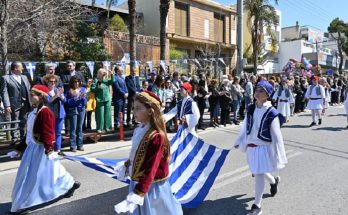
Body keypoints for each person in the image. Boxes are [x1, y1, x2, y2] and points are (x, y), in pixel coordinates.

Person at [7, 85, 80, 215]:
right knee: (52, 171)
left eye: (32, 95)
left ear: (40, 97)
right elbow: (29, 135)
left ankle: (23, 204)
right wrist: (19, 149)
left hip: (40, 149)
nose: (30, 98)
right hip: (32, 149)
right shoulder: (33, 112)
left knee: (32, 177)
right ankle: (71, 184)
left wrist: (49, 150)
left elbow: (48, 133)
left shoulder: (45, 112)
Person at [114, 91, 183, 215]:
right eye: (134, 108)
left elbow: (152, 167)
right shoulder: (140, 130)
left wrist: (139, 192)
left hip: (151, 186)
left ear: (150, 111)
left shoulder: (156, 136)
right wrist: (127, 164)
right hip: (139, 182)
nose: (134, 112)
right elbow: (136, 154)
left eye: (138, 109)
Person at [234, 80, 287, 215]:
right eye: (257, 90)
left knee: (258, 174)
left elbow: (276, 136)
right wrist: (239, 140)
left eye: (261, 91)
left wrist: (277, 155)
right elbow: (245, 126)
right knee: (259, 172)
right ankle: (273, 181)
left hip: (263, 147)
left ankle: (257, 205)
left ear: (267, 95)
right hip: (251, 147)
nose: (257, 93)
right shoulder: (251, 108)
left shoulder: (271, 112)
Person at [1, 62, 31, 143]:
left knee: (24, 120)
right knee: (15, 120)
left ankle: (23, 137)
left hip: (25, 103)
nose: (23, 69)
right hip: (13, 104)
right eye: (21, 67)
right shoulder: (6, 78)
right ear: (15, 68)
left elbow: (29, 89)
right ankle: (15, 138)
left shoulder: (24, 77)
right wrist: (7, 105)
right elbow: (4, 92)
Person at [43, 74, 66, 156]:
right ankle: (50, 149)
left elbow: (65, 100)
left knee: (58, 133)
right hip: (50, 115)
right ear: (47, 82)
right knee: (51, 133)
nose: (53, 83)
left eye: (54, 81)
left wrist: (62, 96)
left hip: (60, 114)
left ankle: (58, 149)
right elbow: (49, 101)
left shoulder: (58, 89)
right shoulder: (45, 91)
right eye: (51, 81)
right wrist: (57, 95)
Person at [65, 76, 87, 152]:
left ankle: (80, 145)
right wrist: (74, 98)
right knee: (73, 128)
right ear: (72, 83)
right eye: (75, 82)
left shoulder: (83, 89)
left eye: (78, 82)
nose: (76, 83)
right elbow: (67, 102)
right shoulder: (69, 91)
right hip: (73, 110)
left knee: (80, 127)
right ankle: (73, 145)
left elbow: (85, 103)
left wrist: (83, 98)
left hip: (81, 109)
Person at [91, 68, 114, 133]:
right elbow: (92, 89)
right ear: (99, 73)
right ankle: (100, 128)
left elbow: (112, 81)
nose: (104, 73)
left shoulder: (106, 80)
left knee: (108, 114)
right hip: (99, 99)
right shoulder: (96, 80)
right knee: (100, 114)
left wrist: (111, 75)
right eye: (103, 72)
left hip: (107, 99)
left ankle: (108, 127)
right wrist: (96, 88)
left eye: (105, 72)